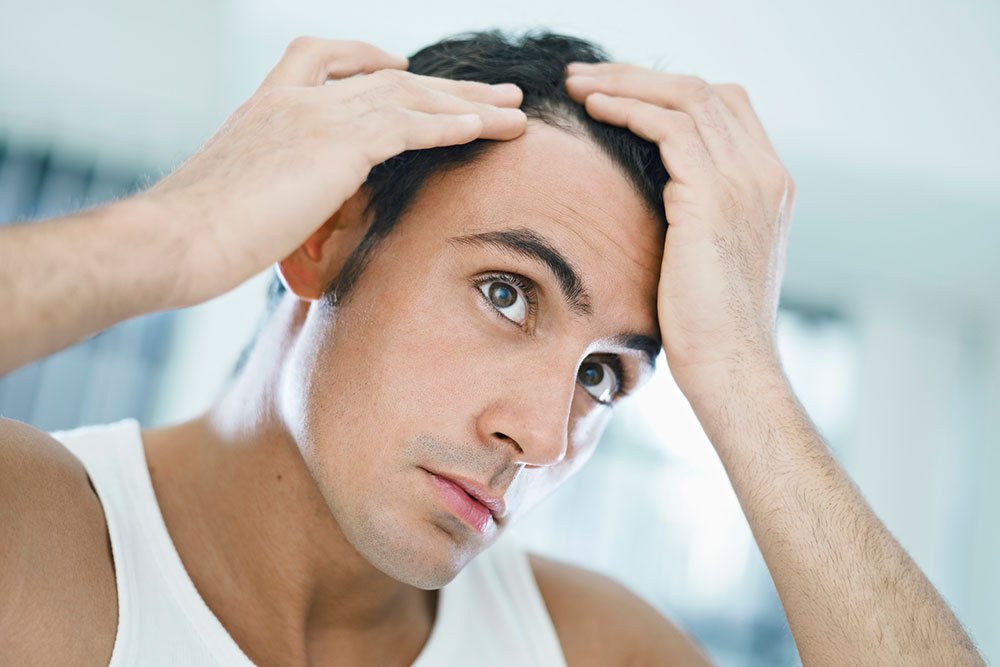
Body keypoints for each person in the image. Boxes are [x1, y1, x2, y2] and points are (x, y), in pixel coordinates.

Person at [0, 29, 983, 666]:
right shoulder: (38, 540)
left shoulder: (590, 650)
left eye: (603, 374)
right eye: (507, 293)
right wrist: (175, 233)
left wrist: (741, 371)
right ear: (320, 236)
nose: (542, 437)